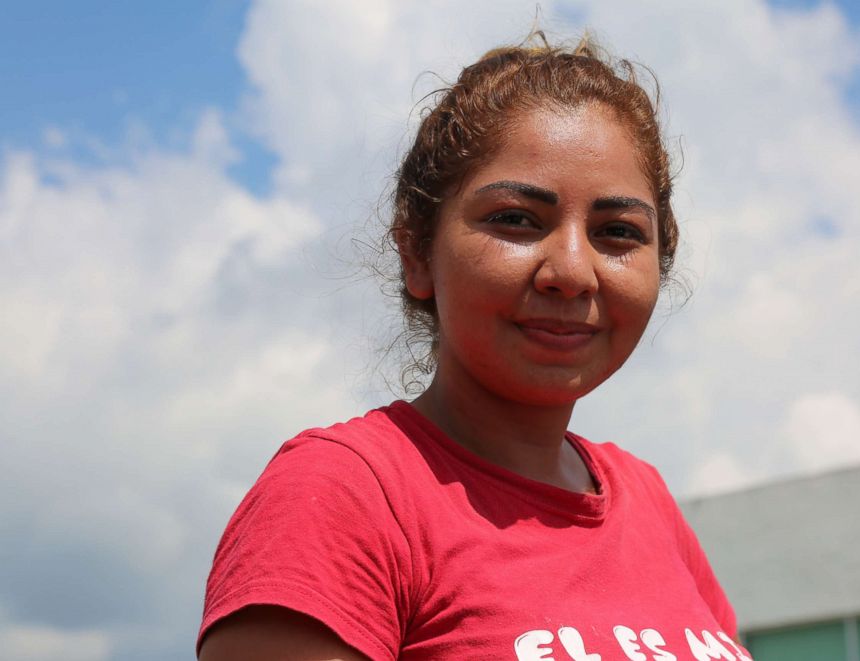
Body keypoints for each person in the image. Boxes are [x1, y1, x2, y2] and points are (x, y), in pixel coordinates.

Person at [198, 36, 751, 661]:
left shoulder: (648, 501)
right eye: (516, 219)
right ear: (416, 253)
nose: (571, 270)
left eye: (618, 232)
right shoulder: (346, 494)